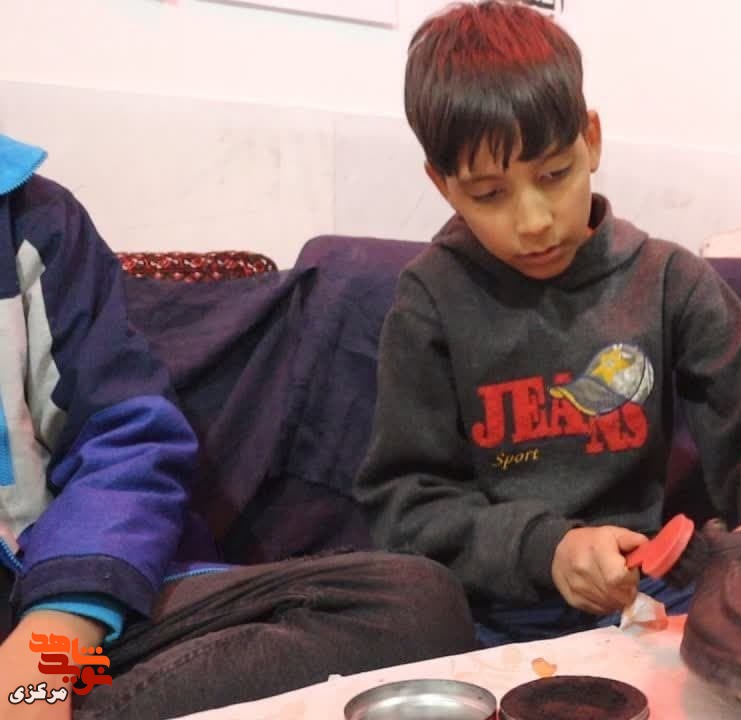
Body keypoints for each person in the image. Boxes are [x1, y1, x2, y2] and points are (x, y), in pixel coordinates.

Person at [355, 0, 741, 649]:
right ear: (443, 184)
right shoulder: (431, 300)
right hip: (499, 606)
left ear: (591, 140)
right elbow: (408, 506)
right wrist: (550, 551)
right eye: (489, 193)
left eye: (554, 175)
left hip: (644, 590)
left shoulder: (670, 282)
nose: (534, 221)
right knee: (395, 610)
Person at [0, 134, 478, 720]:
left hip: (59, 611)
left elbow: (127, 437)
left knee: (416, 604)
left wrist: (53, 640)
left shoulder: (38, 218)